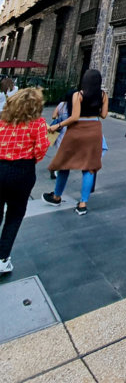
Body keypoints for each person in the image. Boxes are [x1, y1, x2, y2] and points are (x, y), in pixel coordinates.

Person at [42, 69, 108, 216]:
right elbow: (103, 115)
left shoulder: (78, 95)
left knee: (64, 164)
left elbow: (74, 117)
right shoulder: (103, 95)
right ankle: (83, 204)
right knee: (90, 167)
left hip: (77, 130)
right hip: (94, 130)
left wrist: (57, 126)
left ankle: (56, 196)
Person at [0, 87, 50, 273]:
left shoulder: (2, 122)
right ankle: (2, 258)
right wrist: (28, 161)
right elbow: (42, 148)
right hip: (22, 171)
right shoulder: (37, 124)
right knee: (14, 214)